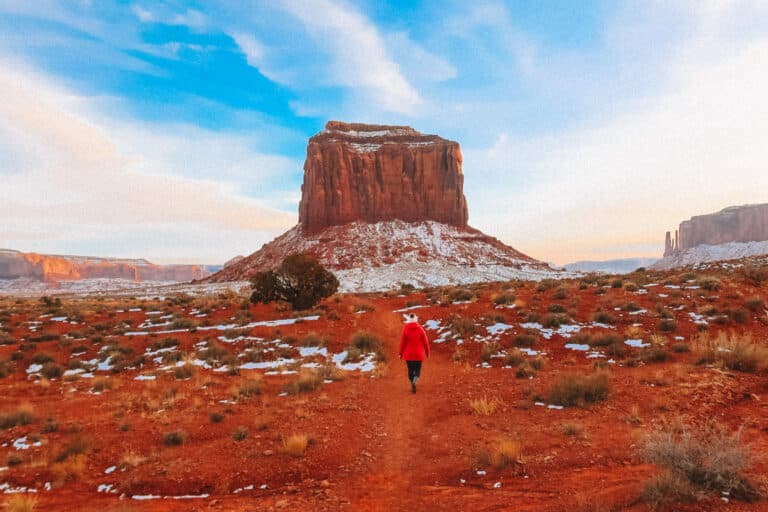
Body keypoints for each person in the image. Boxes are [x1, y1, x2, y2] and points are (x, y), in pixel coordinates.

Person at [398, 313, 430, 393]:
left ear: (408, 320)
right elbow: (425, 342)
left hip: (409, 355)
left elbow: (403, 343)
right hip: (418, 355)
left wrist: (400, 353)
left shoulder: (405, 329)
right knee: (417, 370)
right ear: (416, 319)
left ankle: (412, 382)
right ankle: (415, 381)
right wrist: (427, 352)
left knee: (410, 370)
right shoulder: (420, 329)